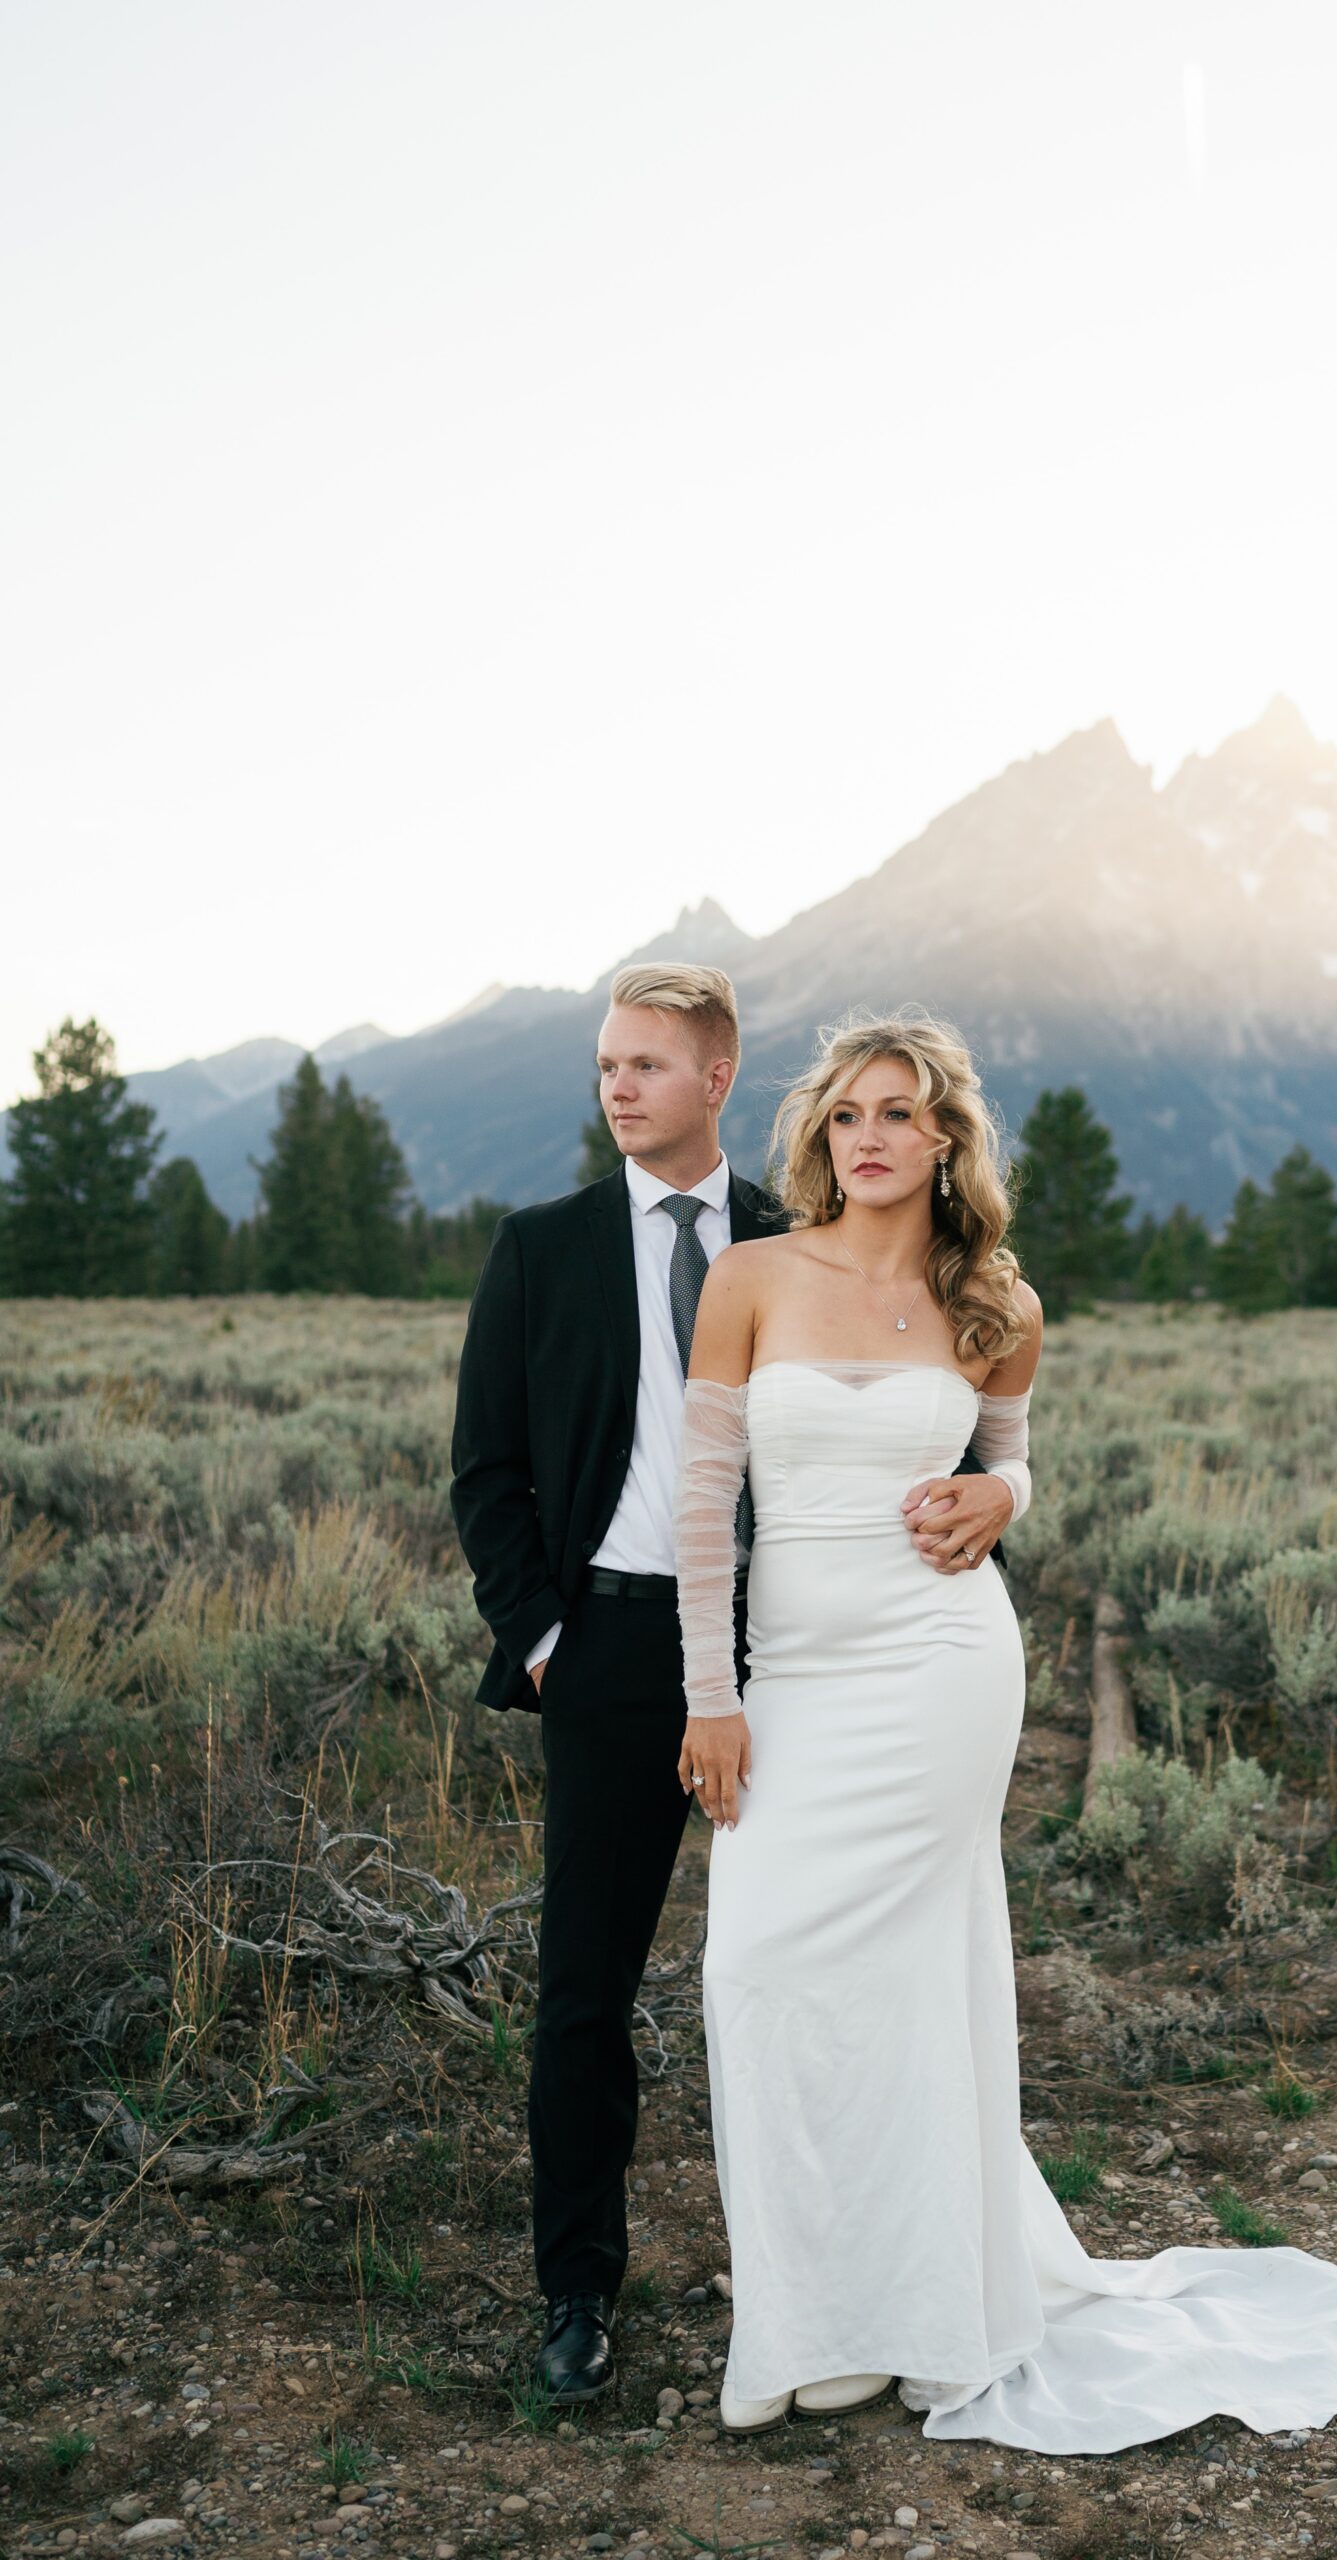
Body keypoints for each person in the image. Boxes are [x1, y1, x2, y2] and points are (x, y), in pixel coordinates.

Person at [672, 1006, 1337, 2451]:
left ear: (946, 1140)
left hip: (942, 1666)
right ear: (822, 1136)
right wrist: (714, 1691)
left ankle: (923, 2315)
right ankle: (812, 2326)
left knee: (911, 1980)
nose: (870, 1138)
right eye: (847, 1116)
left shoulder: (994, 1305)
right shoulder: (752, 1277)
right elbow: (707, 1501)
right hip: (795, 1676)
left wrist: (1006, 1499)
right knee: (757, 1964)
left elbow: (1012, 1461)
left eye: (899, 1114)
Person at [448, 965, 1019, 2406]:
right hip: (624, 1651)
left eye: (646, 1063)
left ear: (718, 1078)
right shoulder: (541, 1247)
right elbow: (486, 1474)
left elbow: (972, 1427)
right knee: (592, 1981)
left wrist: (1008, 1489)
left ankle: (879, 2284)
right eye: (603, 1065)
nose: (617, 1087)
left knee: (847, 1975)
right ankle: (579, 2290)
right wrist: (551, 1645)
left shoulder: (810, 1234)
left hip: (830, 1656)